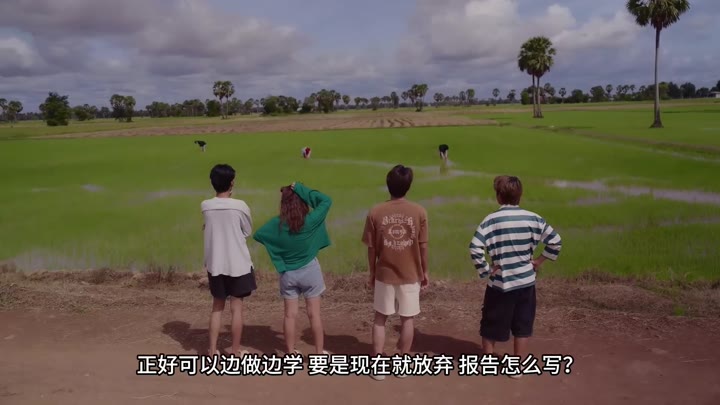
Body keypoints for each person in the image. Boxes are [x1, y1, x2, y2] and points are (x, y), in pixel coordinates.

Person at [468, 175, 562, 379]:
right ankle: (517, 368)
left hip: (500, 284)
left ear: (498, 197)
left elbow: (475, 247)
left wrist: (486, 270)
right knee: (522, 325)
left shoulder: (491, 220)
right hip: (526, 283)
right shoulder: (534, 218)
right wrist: (538, 261)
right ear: (520, 195)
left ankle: (488, 363)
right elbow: (555, 241)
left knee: (491, 324)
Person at [361, 164, 429, 381]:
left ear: (388, 184)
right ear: (409, 186)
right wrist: (425, 271)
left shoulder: (376, 211)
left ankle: (378, 366)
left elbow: (371, 249)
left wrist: (372, 272)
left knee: (380, 318)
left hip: (384, 274)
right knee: (407, 319)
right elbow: (423, 246)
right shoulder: (419, 211)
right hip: (411, 274)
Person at [253, 182, 332, 356]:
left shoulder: (277, 224)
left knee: (290, 315)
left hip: (288, 274)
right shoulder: (310, 221)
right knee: (314, 315)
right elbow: (326, 201)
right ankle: (319, 354)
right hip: (311, 271)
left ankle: (290, 354)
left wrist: (280, 252)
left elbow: (258, 235)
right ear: (302, 202)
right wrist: (302, 189)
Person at [201, 164, 257, 357]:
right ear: (232, 183)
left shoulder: (205, 206)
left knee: (217, 307)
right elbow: (247, 231)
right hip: (238, 263)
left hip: (215, 264)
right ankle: (235, 351)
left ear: (212, 183)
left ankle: (212, 350)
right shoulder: (240, 206)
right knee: (236, 309)